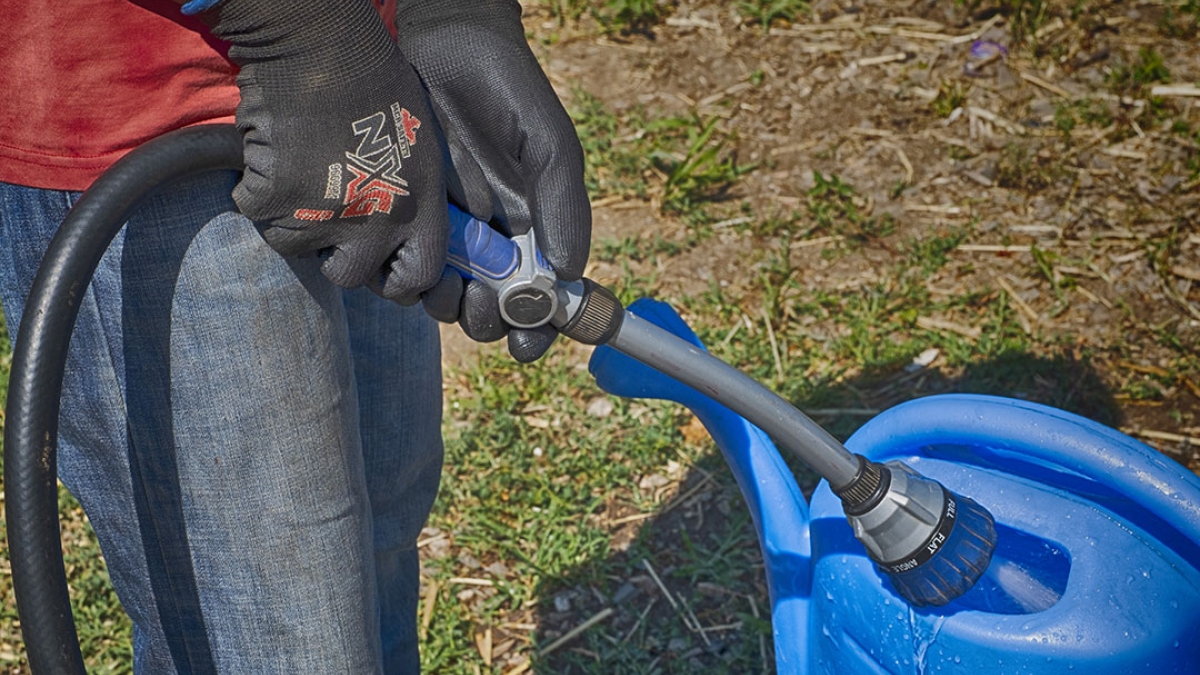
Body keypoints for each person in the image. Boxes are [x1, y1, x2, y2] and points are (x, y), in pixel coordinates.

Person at [0, 0, 590, 672]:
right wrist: (292, 19)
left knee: (377, 569)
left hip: (366, 76)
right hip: (149, 108)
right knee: (282, 643)